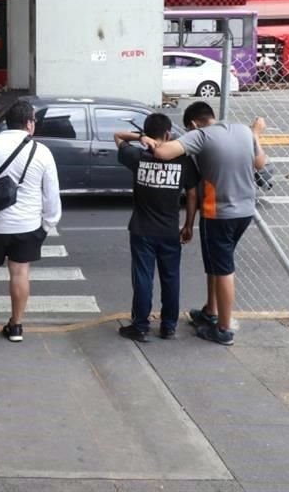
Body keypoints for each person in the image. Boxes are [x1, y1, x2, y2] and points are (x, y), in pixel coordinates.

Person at [145, 101, 267, 346]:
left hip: (218, 213)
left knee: (223, 269)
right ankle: (210, 311)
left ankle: (223, 329)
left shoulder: (200, 136)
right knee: (215, 263)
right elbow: (259, 163)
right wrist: (255, 134)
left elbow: (162, 153)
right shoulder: (243, 130)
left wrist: (148, 140)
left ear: (192, 123)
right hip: (244, 210)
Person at [0, 101, 62, 342]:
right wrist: (47, 225)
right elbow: (52, 196)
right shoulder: (42, 152)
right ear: (29, 123)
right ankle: (16, 326)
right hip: (27, 226)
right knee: (20, 273)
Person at [114, 114, 199, 342]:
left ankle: (140, 326)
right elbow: (192, 193)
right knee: (171, 278)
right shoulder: (183, 160)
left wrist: (141, 138)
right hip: (170, 230)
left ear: (148, 134)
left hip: (142, 229)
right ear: (168, 135)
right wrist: (189, 224)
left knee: (143, 278)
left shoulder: (137, 156)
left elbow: (118, 136)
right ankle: (168, 326)